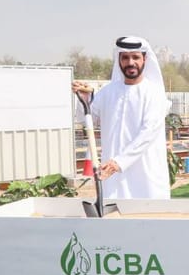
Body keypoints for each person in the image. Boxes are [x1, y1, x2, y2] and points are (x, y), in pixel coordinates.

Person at [72, 36, 171, 199]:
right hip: (113, 179)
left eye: (136, 57)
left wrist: (119, 162)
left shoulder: (154, 94)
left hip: (146, 178)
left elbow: (148, 133)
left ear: (145, 59)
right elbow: (86, 119)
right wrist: (83, 100)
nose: (130, 62)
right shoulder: (107, 92)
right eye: (125, 57)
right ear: (119, 60)